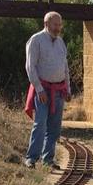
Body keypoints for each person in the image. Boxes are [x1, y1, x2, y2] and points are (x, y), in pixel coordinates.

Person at [24, 11, 71, 169]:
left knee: (55, 127)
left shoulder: (60, 42)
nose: (58, 28)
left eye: (60, 24)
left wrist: (68, 89)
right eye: (55, 24)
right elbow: (30, 67)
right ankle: (31, 158)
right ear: (46, 24)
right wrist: (39, 89)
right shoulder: (36, 40)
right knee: (40, 124)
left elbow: (65, 68)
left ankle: (48, 159)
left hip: (58, 90)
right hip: (43, 90)